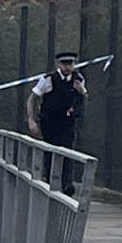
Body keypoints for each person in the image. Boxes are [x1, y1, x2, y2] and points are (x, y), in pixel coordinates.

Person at [25, 51, 89, 193]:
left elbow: (83, 100)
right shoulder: (49, 79)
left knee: (68, 150)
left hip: (67, 122)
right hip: (50, 122)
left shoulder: (78, 79)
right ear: (59, 64)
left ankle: (67, 184)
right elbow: (32, 98)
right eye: (64, 64)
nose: (67, 67)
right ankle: (49, 180)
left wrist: (83, 92)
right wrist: (31, 119)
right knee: (50, 151)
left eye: (70, 64)